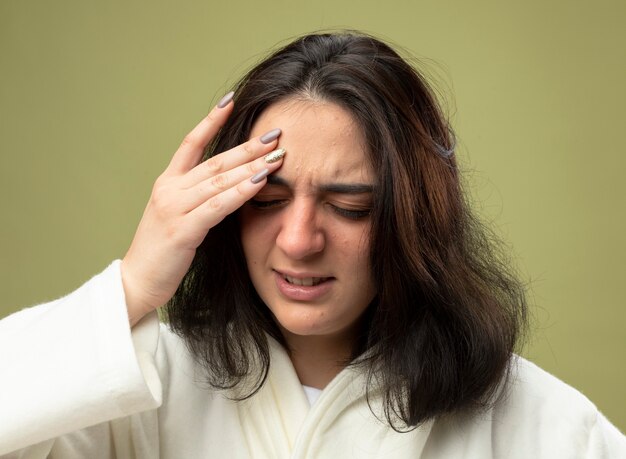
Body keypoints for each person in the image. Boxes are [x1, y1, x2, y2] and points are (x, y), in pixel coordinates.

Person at [0, 31, 624, 458]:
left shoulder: (539, 422)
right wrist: (133, 287)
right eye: (267, 202)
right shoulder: (137, 391)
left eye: (350, 207)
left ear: (416, 218)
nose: (299, 241)